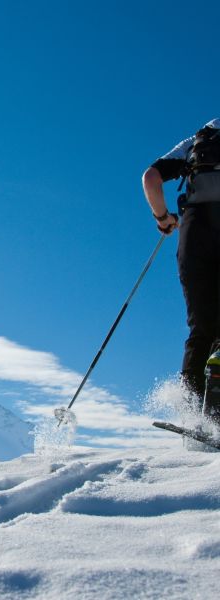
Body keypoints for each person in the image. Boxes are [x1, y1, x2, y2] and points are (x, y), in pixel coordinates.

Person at [142, 118, 220, 418]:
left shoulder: (193, 144)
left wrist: (163, 218)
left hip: (195, 231)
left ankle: (191, 415)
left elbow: (151, 177)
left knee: (200, 327)